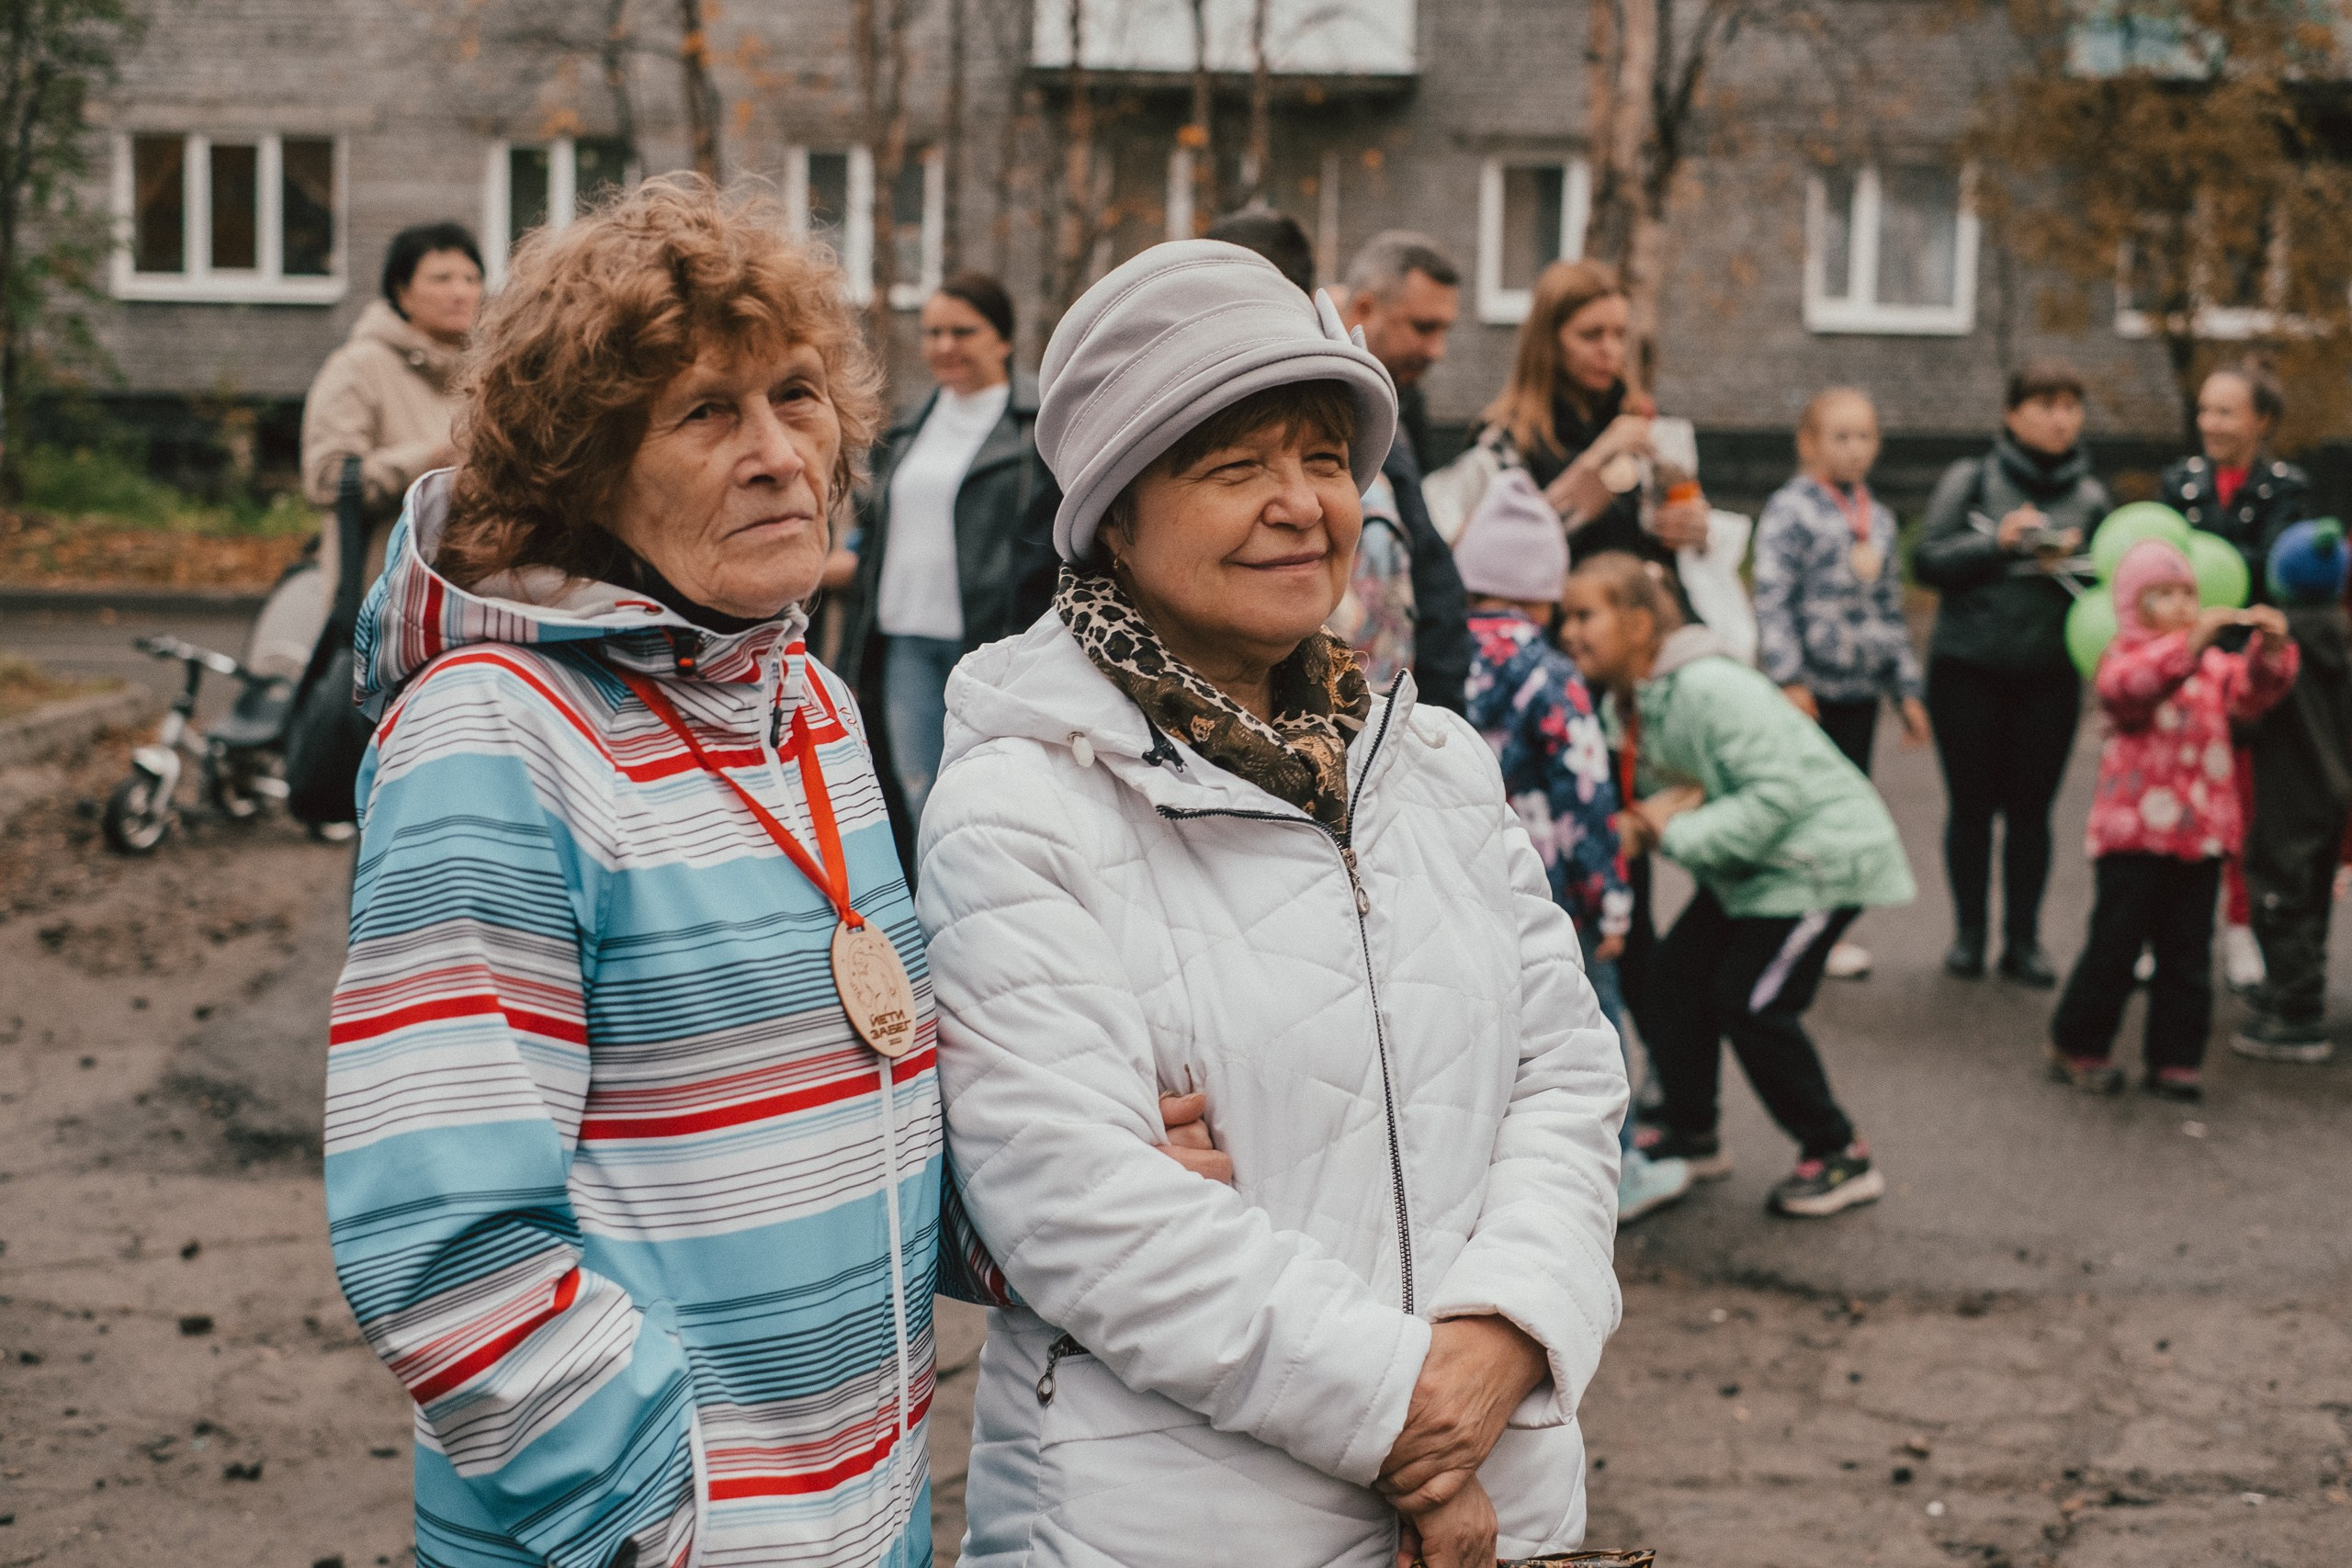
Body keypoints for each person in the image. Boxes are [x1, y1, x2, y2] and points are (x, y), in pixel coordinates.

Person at [320, 179, 1217, 1568]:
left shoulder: (810, 703)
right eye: (703, 412)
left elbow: (857, 1098)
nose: (779, 455)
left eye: (798, 397)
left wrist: (1068, 1172)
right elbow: (445, 1245)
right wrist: (662, 1522)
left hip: (865, 1522)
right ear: (582, 466)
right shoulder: (496, 734)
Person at [919, 241, 1627, 1568]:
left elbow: (1570, 1077)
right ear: (1115, 517)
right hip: (1171, 1520)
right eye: (1234, 467)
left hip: (1503, 1502)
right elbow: (1086, 1208)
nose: (1301, 504)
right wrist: (1413, 1414)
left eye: (1319, 458)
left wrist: (1506, 1335)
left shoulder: (1433, 766)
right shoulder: (1022, 804)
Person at [1562, 551, 1913, 1217]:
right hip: (1753, 870)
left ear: (1639, 624)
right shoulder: (1630, 702)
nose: (1569, 631)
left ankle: (1840, 1151)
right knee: (1673, 977)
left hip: (1816, 864)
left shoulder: (1707, 688)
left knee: (1751, 1002)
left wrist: (1664, 830)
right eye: (1566, 616)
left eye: (1586, 615)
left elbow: (1774, 795)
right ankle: (1695, 1133)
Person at [1454, 469, 1689, 1223]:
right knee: (1589, 1027)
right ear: (1544, 594)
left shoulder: (1437, 655)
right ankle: (1611, 1174)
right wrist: (1612, 903)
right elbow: (1587, 799)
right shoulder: (1550, 675)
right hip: (1552, 891)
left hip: (1461, 880)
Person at [2047, 539, 2295, 1100]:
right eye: (2164, 595)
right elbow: (2129, 691)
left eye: (2189, 594)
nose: (2183, 605)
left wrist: (2269, 653)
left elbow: (2252, 698)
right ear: (2135, 606)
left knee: (2186, 951)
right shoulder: (2124, 658)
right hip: (2132, 836)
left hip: (2199, 832)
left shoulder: (2214, 665)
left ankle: (2176, 1058)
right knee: (2117, 943)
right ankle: (2078, 1043)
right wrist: (2191, 644)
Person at [1914, 359, 2109, 987]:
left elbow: (2110, 591)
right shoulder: (1971, 478)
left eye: (2071, 405)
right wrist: (1996, 543)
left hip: (2048, 677)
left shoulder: (2092, 496)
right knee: (1971, 811)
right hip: (1967, 670)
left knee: (2032, 814)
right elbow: (1927, 560)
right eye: (2046, 404)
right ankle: (1969, 934)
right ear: (2012, 414)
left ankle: (2023, 941)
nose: (2061, 418)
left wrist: (2078, 562)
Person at [843, 270, 1051, 830]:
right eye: (933, 332)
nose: (944, 346)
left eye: (963, 331)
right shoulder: (909, 428)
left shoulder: (1038, 429)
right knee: (917, 801)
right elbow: (877, 536)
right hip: (904, 642)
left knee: (987, 803)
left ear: (1003, 340)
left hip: (992, 643)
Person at [1751, 387, 1930, 982]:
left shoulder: (1876, 518)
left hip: (1859, 696)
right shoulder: (1790, 510)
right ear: (1809, 443)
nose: (1856, 450)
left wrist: (1906, 691)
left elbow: (1888, 609)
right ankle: (1786, 926)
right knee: (1804, 812)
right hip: (1808, 698)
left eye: (1866, 437)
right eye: (1841, 437)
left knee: (1847, 811)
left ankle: (1824, 932)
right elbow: (1772, 599)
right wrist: (1789, 678)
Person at [2159, 359, 2313, 993]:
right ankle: (2154, 932)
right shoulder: (2180, 482)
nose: (2211, 424)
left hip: (2249, 670)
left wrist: (2210, 568)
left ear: (2262, 421)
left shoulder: (2288, 489)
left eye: (2226, 411)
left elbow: (2274, 569)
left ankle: (2241, 927)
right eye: (2205, 410)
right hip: (2183, 660)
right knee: (2167, 796)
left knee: (2242, 808)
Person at [1476, 257, 1713, 572]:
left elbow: (1673, 541)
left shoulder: (1643, 420)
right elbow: (1502, 556)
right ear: (1547, 341)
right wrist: (1596, 458)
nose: (1609, 350)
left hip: (1653, 609)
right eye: (1591, 335)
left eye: (1619, 334)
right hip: (1568, 614)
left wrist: (1696, 529)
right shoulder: (1506, 437)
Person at [1332, 231, 1474, 710]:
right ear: (1366, 308)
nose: (1438, 350)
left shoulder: (1403, 399)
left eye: (1444, 331)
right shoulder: (1328, 410)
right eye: (1423, 327)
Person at [300, 221, 483, 589]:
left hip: (470, 596)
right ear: (402, 293)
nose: (461, 292)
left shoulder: (488, 373)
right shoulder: (359, 366)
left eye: (471, 278)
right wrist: (430, 460)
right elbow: (325, 479)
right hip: (385, 597)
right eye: (441, 278)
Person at [2232, 519, 2351, 1065]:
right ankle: (2295, 988)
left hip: (2287, 785)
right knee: (2312, 894)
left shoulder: (2279, 646)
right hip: (2335, 789)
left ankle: (2298, 1014)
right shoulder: (2343, 634)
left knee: (2278, 893)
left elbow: (2249, 714)